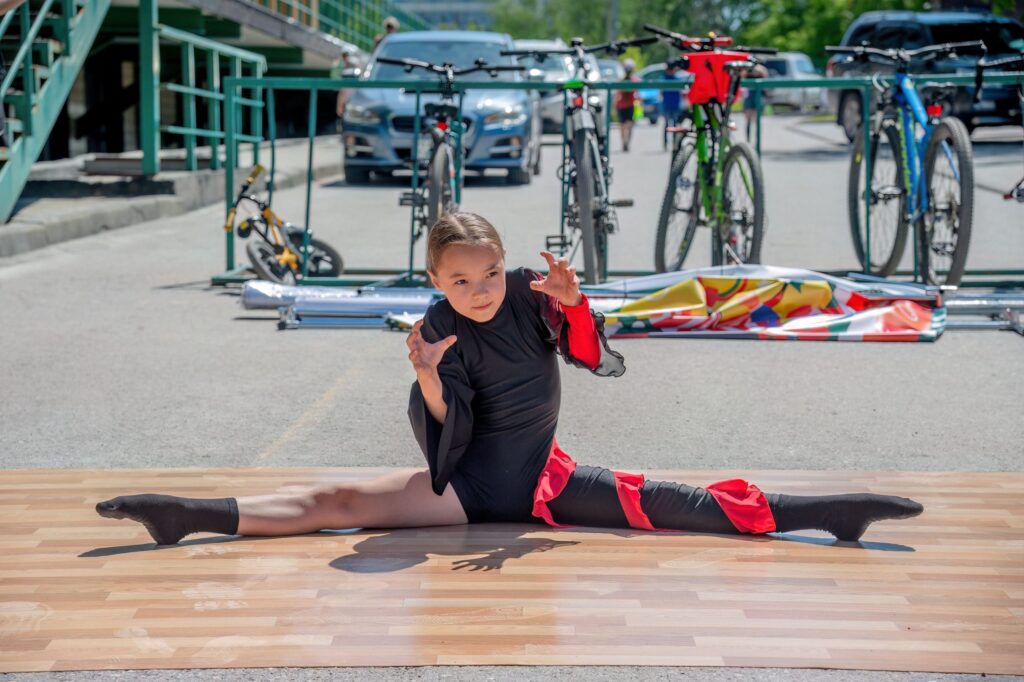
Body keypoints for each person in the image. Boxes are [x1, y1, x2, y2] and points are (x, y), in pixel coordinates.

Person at [95, 212, 923, 545]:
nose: (480, 289)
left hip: (544, 482)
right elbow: (445, 423)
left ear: (504, 263)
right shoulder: (439, 328)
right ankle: (185, 516)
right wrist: (426, 375)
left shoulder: (532, 292)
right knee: (335, 505)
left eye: (489, 272)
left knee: (681, 505)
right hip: (470, 487)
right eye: (461, 280)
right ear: (436, 281)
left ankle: (829, 513)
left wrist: (573, 303)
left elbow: (594, 357)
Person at [613, 59, 640, 152]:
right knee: (626, 126)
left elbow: (637, 93)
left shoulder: (632, 80)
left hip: (627, 106)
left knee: (626, 126)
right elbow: (617, 94)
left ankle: (626, 142)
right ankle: (625, 142)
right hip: (624, 106)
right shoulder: (625, 80)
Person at [660, 61, 686, 151]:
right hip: (669, 105)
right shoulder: (674, 79)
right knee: (668, 125)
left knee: (673, 126)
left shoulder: (668, 79)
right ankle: (667, 144)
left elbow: (661, 92)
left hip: (673, 105)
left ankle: (674, 143)